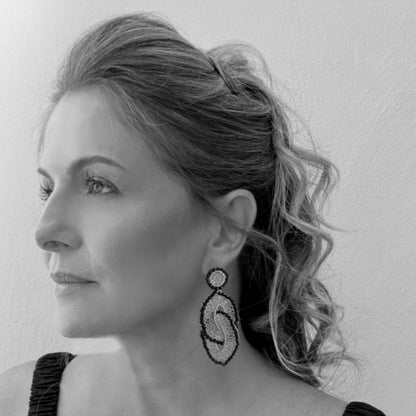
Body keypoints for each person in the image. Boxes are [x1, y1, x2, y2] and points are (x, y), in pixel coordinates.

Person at [0, 12, 386, 416]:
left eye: (98, 184)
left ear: (226, 228)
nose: (45, 230)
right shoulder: (12, 402)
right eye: (47, 189)